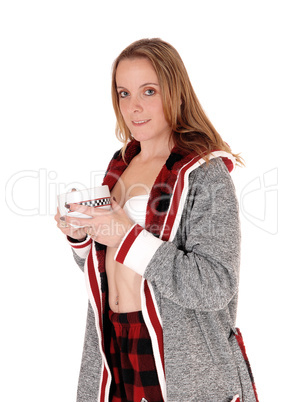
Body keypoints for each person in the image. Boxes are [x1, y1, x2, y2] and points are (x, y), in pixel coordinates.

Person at [55, 38, 259, 402]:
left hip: (178, 358)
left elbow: (215, 284)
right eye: (124, 93)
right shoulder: (120, 165)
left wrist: (125, 235)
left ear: (176, 93)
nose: (134, 107)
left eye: (149, 91)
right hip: (114, 348)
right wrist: (83, 237)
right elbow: (110, 264)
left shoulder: (205, 173)